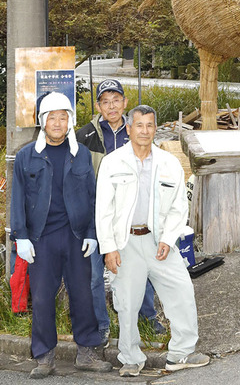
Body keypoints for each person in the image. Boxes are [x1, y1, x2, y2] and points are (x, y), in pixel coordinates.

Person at [95, 105, 209, 376]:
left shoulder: (168, 163)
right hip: (126, 244)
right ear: (129, 128)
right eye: (139, 125)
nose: (144, 130)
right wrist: (109, 248)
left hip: (160, 242)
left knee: (181, 291)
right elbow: (103, 210)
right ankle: (131, 358)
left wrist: (169, 239)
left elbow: (179, 207)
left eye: (149, 125)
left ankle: (181, 353)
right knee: (126, 302)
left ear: (154, 129)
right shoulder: (113, 163)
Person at [10, 92, 112, 378]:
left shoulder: (80, 154)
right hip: (41, 239)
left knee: (83, 295)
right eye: (52, 117)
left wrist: (93, 233)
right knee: (42, 298)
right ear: (42, 121)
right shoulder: (26, 156)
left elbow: (93, 197)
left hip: (76, 237)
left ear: (70, 120)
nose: (58, 122)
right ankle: (44, 357)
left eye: (63, 117)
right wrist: (21, 237)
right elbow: (17, 198)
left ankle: (87, 352)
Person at [76, 79, 164, 344]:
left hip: (133, 216)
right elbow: (78, 178)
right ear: (98, 106)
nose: (111, 106)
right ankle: (101, 325)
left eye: (116, 100)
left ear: (125, 103)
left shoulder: (136, 129)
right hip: (97, 217)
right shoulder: (84, 136)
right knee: (93, 275)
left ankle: (147, 318)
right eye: (105, 101)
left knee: (142, 270)